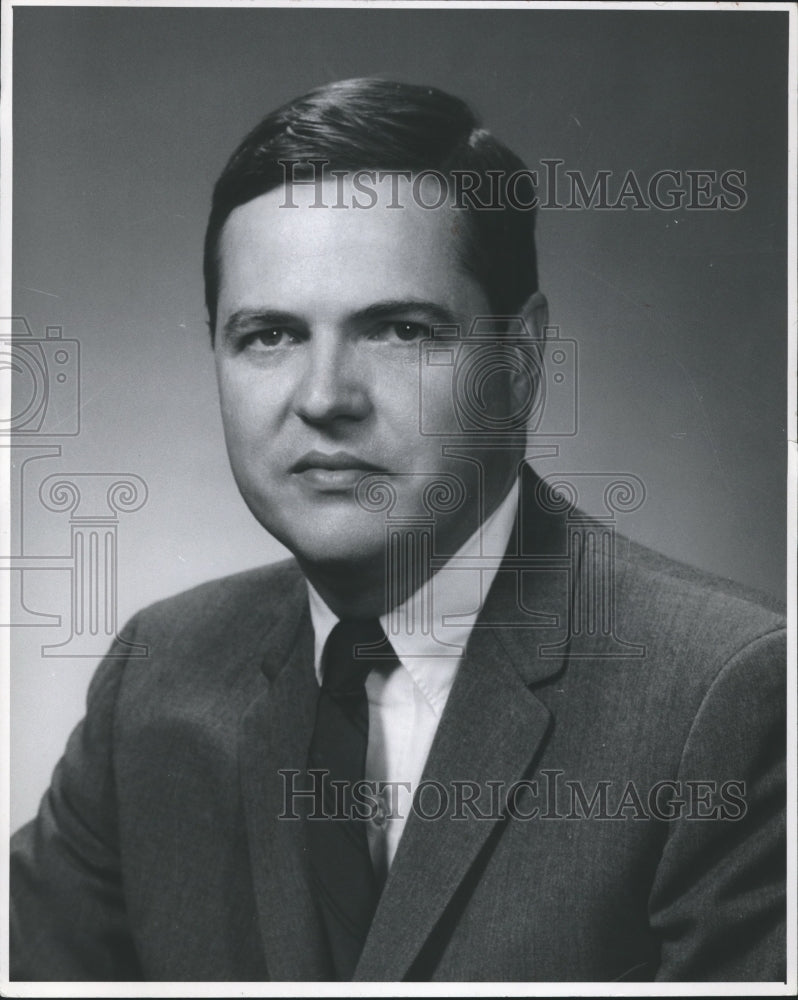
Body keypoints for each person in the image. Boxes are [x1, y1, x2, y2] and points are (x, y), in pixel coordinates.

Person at [10, 78, 786, 983]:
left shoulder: (729, 698)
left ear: (522, 363)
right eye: (268, 335)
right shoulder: (156, 675)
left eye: (401, 331)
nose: (324, 397)